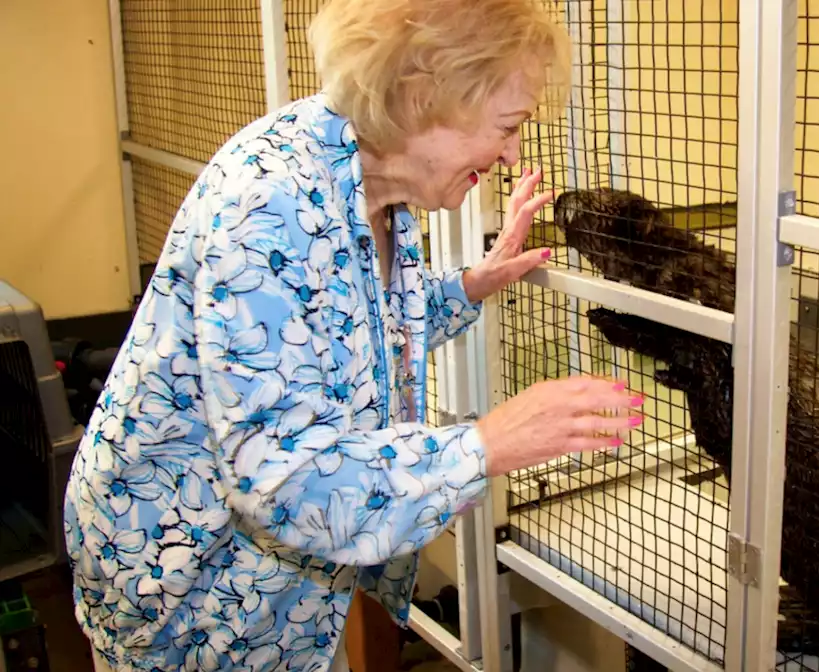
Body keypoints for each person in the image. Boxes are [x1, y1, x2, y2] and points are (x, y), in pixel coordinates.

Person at [63, 0, 643, 670]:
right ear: (425, 98)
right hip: (194, 595)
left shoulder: (374, 192)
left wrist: (469, 285)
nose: (512, 154)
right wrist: (489, 442)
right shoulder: (268, 202)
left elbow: (349, 329)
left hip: (286, 591)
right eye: (508, 126)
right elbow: (282, 479)